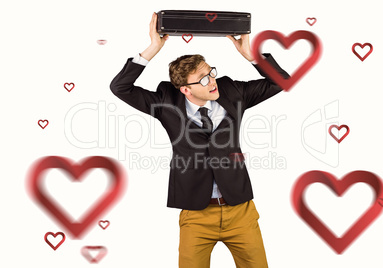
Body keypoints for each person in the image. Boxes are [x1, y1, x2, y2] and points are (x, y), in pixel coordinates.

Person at [110, 12, 289, 268]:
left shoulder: (232, 92)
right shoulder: (166, 103)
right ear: (185, 88)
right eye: (204, 79)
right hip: (196, 214)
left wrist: (250, 55)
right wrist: (153, 48)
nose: (212, 81)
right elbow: (120, 88)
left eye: (211, 73)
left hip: (240, 210)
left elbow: (281, 81)